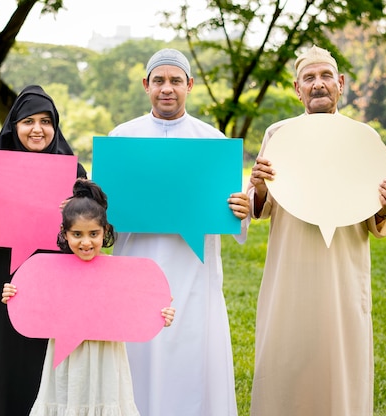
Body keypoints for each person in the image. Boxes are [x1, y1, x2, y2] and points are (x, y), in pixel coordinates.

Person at [247, 45, 386, 416]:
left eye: (326, 76)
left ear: (341, 83)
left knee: (341, 366)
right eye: (309, 78)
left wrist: (385, 206)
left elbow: (377, 222)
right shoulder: (277, 134)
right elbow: (260, 206)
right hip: (290, 273)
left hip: (343, 276)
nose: (318, 85)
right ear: (297, 88)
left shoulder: (364, 139)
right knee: (286, 359)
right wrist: (261, 186)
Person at [108, 48, 251, 416]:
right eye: (159, 80)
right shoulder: (122, 138)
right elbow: (103, 212)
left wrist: (241, 209)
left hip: (194, 272)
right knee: (137, 355)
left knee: (192, 354)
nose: (166, 88)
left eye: (175, 81)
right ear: (146, 85)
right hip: (135, 268)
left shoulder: (213, 141)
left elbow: (231, 214)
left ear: (189, 84)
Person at [0, 85, 88, 415]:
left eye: (46, 121)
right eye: (28, 121)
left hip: (53, 283)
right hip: (0, 279)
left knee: (43, 365)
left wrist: (77, 210)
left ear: (55, 127)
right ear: (14, 126)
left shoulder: (74, 174)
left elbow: (93, 236)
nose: (37, 129)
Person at [1, 178, 176, 416]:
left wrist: (160, 313)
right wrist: (15, 294)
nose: (86, 242)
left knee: (104, 398)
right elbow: (37, 301)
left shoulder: (118, 271)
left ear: (105, 231)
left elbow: (137, 306)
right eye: (77, 234)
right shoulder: (53, 271)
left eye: (93, 233)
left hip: (106, 357)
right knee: (68, 397)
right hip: (66, 356)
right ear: (65, 233)